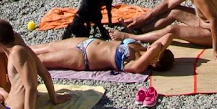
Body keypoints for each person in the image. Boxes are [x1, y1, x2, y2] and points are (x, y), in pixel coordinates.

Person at [30, 31, 176, 75]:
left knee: (42, 59)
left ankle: (10, 65)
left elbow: (136, 69)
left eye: (156, 52)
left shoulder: (137, 64)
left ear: (154, 61)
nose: (153, 47)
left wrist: (153, 53)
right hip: (89, 42)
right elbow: (169, 35)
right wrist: (158, 49)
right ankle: (9, 48)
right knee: (48, 46)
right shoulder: (141, 48)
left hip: (84, 57)